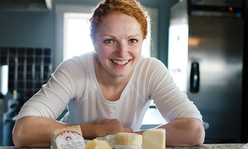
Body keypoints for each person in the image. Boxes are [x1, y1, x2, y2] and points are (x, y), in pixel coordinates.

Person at [12, 0, 205, 147]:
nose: (122, 52)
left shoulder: (151, 70)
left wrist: (122, 138)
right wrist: (98, 131)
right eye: (109, 41)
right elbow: (23, 131)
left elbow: (194, 130)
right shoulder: (75, 69)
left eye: (132, 40)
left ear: (143, 40)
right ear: (94, 41)